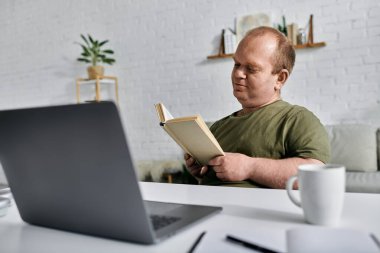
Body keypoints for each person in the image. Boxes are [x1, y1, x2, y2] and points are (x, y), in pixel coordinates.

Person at [185, 26, 330, 189]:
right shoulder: (218, 127)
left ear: (280, 78)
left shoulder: (297, 119)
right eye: (236, 64)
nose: (238, 74)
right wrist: (202, 172)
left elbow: (315, 175)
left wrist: (250, 167)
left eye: (251, 68)